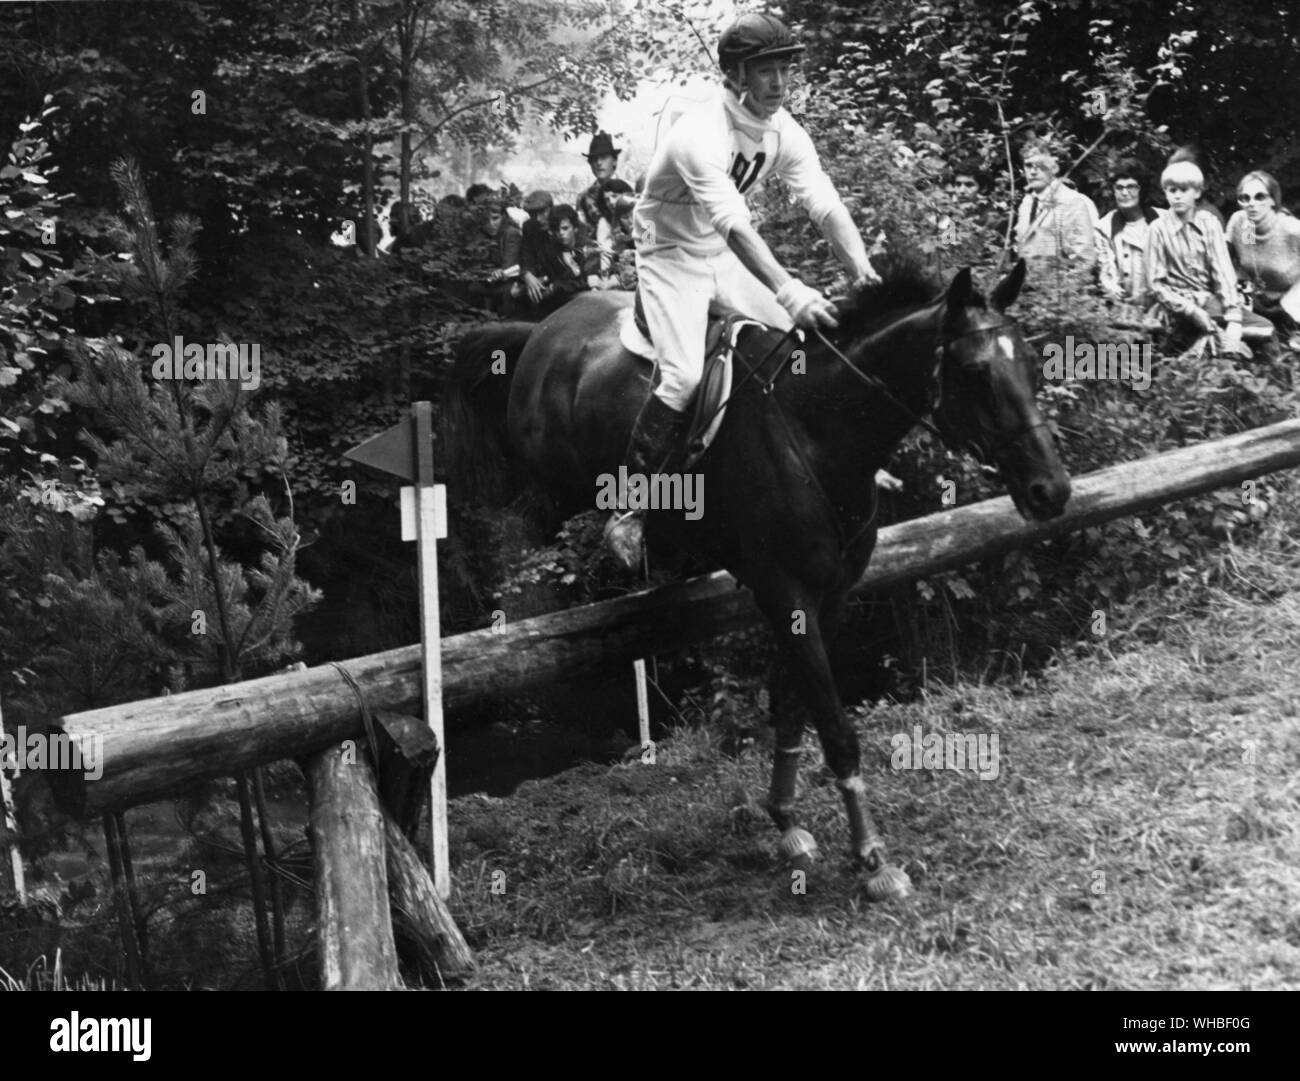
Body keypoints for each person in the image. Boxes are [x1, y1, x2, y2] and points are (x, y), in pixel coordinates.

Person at [605, 11, 878, 569]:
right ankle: (628, 509)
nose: (778, 83)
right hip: (669, 253)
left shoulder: (784, 131)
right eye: (764, 71)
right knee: (682, 376)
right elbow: (738, 227)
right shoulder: (698, 132)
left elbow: (825, 205)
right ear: (734, 74)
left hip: (718, 251)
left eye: (784, 69)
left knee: (808, 342)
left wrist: (863, 272)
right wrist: (790, 291)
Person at [1146, 159, 1265, 358]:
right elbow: (1156, 285)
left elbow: (1223, 272)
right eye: (1171, 190)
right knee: (1203, 334)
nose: (1177, 196)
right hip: (1176, 306)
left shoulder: (1209, 224)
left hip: (1209, 300)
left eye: (1183, 190)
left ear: (1197, 193)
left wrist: (1234, 313)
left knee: (1263, 329)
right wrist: (1191, 310)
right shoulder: (1157, 229)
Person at [1225, 170, 1300, 350]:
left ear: (1273, 200)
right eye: (1245, 198)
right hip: (1257, 302)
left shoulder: (1291, 230)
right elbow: (1246, 263)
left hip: (1291, 304)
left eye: (1259, 197)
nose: (1252, 204)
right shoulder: (1244, 224)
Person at [1013, 141, 1100, 275]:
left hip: (1059, 288)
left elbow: (1085, 259)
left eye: (1040, 165)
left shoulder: (1073, 201)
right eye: (1029, 166)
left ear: (1054, 168)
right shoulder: (1026, 203)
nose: (1033, 172)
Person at [1095, 158, 1163, 309]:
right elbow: (1106, 273)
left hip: (1163, 308)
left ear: (1142, 189)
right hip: (1123, 311)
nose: (1124, 193)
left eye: (1131, 187)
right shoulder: (1104, 227)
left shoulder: (1163, 221)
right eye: (1119, 187)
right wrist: (1115, 295)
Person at [578, 132, 623, 230]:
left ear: (614, 161)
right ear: (590, 164)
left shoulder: (629, 190)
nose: (598, 163)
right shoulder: (584, 197)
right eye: (594, 159)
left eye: (604, 157)